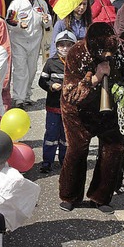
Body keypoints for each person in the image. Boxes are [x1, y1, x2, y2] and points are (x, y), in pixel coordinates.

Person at [59, 22, 124, 214]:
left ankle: (101, 196)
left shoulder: (122, 50)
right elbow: (70, 94)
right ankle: (70, 196)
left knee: (113, 149)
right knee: (77, 149)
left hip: (109, 108)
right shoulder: (76, 53)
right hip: (78, 110)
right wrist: (95, 77)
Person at [7, 0, 52, 109]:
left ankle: (27, 96)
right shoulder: (16, 4)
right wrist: (19, 24)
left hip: (35, 41)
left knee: (32, 69)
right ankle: (18, 98)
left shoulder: (41, 4)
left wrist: (46, 19)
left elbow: (48, 21)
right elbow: (9, 20)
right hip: (18, 41)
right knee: (20, 70)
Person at [39, 31, 77, 173]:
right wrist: (50, 86)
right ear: (57, 46)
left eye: (69, 45)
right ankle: (47, 162)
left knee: (67, 136)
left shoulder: (76, 64)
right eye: (61, 45)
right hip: (53, 107)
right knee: (51, 135)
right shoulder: (51, 62)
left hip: (70, 108)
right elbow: (42, 81)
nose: (65, 48)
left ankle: (65, 161)